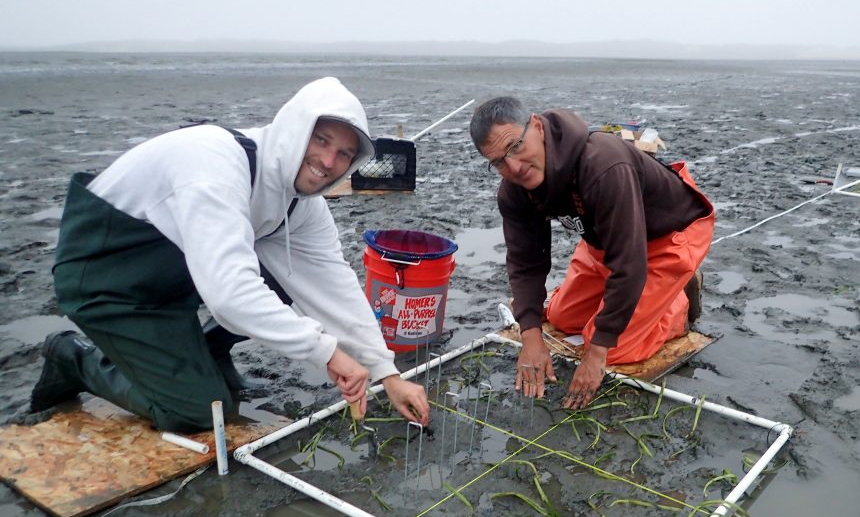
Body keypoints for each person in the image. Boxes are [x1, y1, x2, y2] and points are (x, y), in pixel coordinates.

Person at [29, 77, 429, 432]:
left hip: (174, 278)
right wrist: (327, 353)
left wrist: (386, 373)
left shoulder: (302, 204)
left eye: (344, 154)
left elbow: (333, 286)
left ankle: (206, 353)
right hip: (106, 275)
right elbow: (229, 294)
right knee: (198, 412)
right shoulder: (215, 163)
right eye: (321, 140)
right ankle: (72, 357)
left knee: (285, 276)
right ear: (294, 128)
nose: (328, 162)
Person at [470, 97, 714, 410]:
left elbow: (629, 264)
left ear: (538, 127)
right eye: (499, 162)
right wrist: (530, 337)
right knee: (559, 318)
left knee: (612, 348)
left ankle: (678, 304)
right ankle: (640, 303)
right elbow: (525, 263)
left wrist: (597, 352)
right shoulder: (514, 190)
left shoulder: (604, 164)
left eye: (516, 146)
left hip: (668, 238)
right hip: (604, 241)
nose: (514, 167)